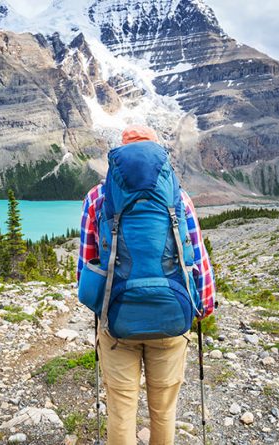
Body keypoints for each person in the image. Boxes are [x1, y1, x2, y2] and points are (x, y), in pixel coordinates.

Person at [77, 125, 216, 445]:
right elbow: (197, 258)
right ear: (159, 157)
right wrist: (203, 307)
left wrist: (100, 308)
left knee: (121, 411)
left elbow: (86, 264)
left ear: (119, 156)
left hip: (117, 319)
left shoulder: (97, 197)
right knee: (164, 412)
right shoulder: (178, 197)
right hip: (171, 317)